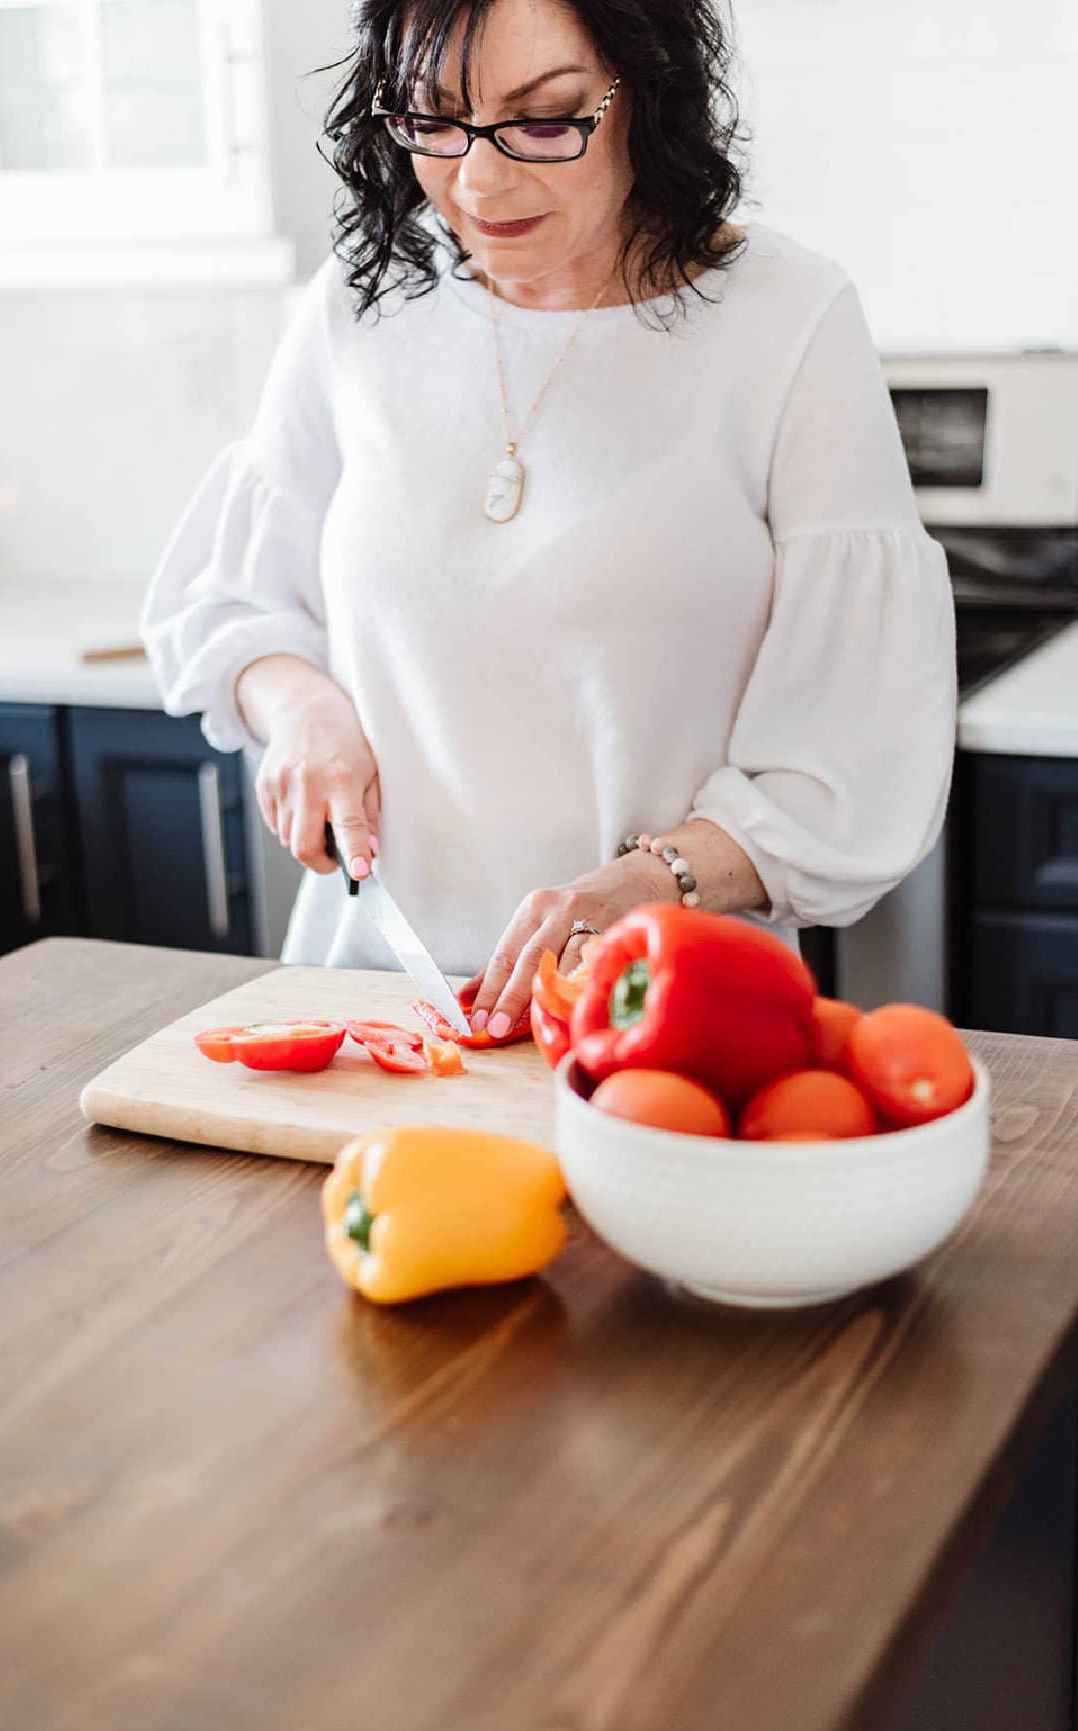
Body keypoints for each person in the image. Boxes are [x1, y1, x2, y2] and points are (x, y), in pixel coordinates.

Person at [142, 0, 956, 1041]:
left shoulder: (786, 322)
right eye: (432, 119)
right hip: (371, 1005)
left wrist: (650, 879)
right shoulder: (360, 305)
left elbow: (852, 756)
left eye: (546, 120)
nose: (477, 183)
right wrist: (302, 707)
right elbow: (233, 604)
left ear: (647, 92)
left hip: (659, 1017)